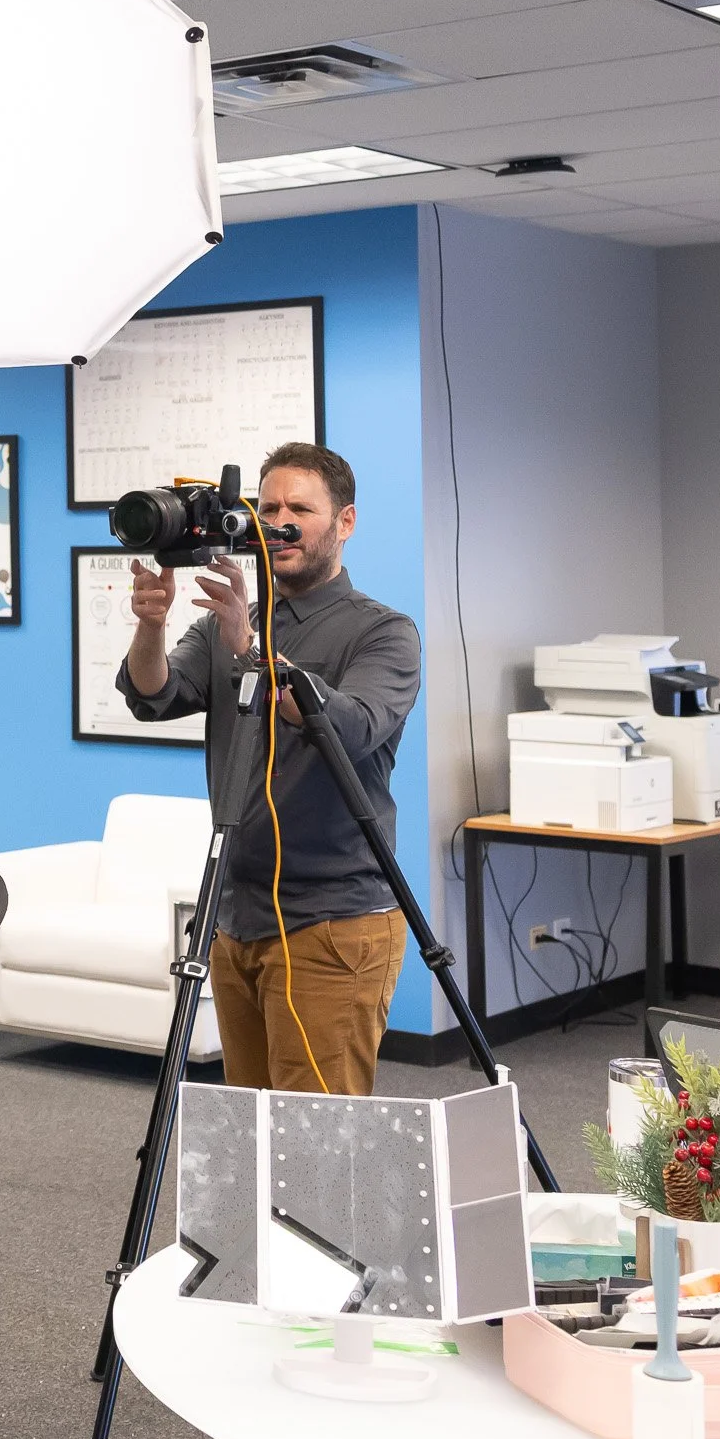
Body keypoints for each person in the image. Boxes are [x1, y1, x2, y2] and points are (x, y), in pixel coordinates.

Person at [118, 438, 420, 1096]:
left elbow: (353, 726)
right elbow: (153, 695)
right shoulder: (236, 617)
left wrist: (254, 654)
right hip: (238, 917)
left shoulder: (383, 632)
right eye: (269, 506)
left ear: (344, 523)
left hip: (333, 921)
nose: (279, 523)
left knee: (315, 1137)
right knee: (248, 1131)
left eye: (300, 510)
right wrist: (152, 624)